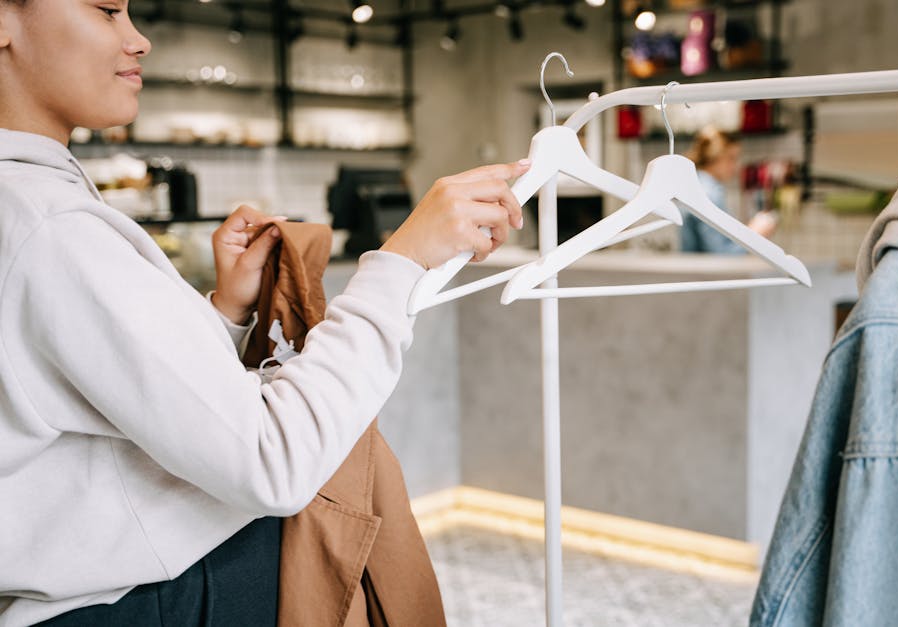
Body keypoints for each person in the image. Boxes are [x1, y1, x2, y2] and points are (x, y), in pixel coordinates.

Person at [0, 1, 529, 625]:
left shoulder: (34, 206)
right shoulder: (49, 223)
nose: (139, 39)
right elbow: (272, 461)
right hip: (131, 606)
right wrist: (400, 264)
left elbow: (75, 400)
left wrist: (224, 312)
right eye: (107, 10)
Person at [680, 126, 777, 253]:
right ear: (714, 156)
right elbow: (720, 256)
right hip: (705, 272)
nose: (735, 166)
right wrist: (755, 235)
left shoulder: (696, 186)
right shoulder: (709, 194)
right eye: (731, 158)